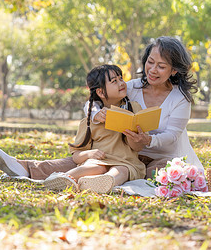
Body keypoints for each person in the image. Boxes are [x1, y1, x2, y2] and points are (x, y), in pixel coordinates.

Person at [0, 36, 204, 182]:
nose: (152, 70)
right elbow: (95, 98)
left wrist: (148, 141)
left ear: (174, 70)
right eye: (150, 62)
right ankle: (26, 167)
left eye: (161, 66)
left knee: (152, 173)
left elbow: (172, 136)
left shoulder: (180, 98)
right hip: (126, 152)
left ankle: (98, 181)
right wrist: (96, 113)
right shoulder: (132, 87)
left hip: (161, 157)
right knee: (91, 159)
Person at [41, 64, 146, 193]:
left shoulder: (134, 108)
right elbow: (77, 155)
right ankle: (63, 178)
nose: (121, 83)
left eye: (121, 78)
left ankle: (105, 180)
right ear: (100, 92)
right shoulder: (91, 120)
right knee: (93, 166)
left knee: (121, 171)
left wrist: (133, 135)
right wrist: (90, 154)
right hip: (99, 161)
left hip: (126, 163)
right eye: (114, 81)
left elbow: (138, 148)